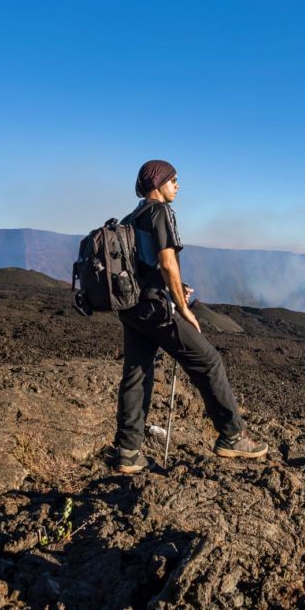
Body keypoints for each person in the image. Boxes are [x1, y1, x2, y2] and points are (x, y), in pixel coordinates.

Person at [111, 159, 267, 474]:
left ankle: (127, 452)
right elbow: (166, 262)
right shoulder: (160, 212)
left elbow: (142, 265)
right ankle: (232, 436)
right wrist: (183, 307)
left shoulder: (132, 217)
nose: (178, 185)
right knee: (208, 361)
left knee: (137, 374)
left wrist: (177, 287)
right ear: (157, 183)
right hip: (155, 308)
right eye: (173, 180)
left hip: (131, 308)